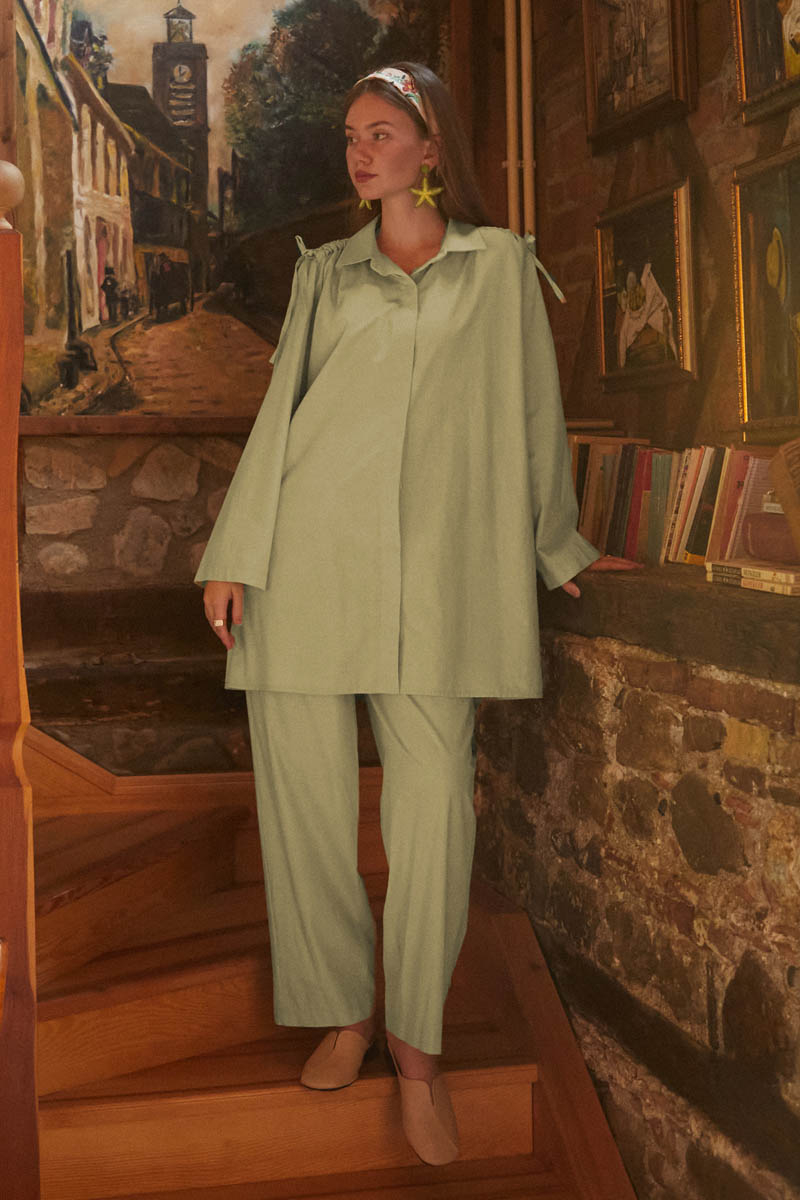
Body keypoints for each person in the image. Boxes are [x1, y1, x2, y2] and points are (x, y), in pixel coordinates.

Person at [196, 61, 632, 1166]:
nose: (361, 151)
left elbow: (531, 415)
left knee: (434, 808)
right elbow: (282, 414)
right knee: (304, 802)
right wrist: (235, 553)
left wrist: (555, 543)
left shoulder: (499, 267)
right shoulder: (326, 274)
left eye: (382, 132)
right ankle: (345, 1013)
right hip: (304, 561)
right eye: (352, 134)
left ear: (432, 147)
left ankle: (416, 1047)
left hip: (439, 577)